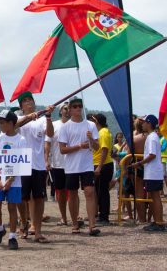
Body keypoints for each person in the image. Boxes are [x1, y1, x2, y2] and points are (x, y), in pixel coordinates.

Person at [16, 92, 55, 243]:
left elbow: (50, 134)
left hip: (38, 164)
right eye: (24, 101)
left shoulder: (42, 120)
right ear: (21, 106)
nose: (28, 103)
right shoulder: (19, 118)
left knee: (38, 198)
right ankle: (23, 223)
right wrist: (28, 117)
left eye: (30, 100)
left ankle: (37, 231)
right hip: (22, 163)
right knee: (22, 198)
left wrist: (49, 116)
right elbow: (14, 126)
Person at [58, 97, 100, 236]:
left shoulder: (91, 126)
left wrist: (91, 139)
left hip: (87, 165)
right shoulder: (65, 127)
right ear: (69, 110)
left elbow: (97, 147)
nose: (78, 108)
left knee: (89, 192)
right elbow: (62, 149)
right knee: (73, 194)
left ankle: (92, 225)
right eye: (75, 106)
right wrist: (78, 146)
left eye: (80, 106)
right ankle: (75, 224)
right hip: (72, 166)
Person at [0, 109, 27, 250]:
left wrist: (10, 179)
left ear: (11, 123)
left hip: (15, 181)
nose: (0, 125)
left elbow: (21, 162)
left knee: (12, 207)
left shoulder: (21, 140)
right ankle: (0, 229)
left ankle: (12, 237)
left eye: (2, 122)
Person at [131, 114, 165, 231]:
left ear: (149, 123)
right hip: (153, 171)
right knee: (154, 197)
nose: (142, 124)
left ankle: (159, 222)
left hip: (153, 172)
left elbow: (152, 155)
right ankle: (157, 221)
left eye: (144, 122)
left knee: (155, 197)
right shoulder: (153, 136)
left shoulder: (152, 137)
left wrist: (139, 163)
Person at [45, 103, 69, 226]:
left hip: (73, 165)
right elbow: (47, 144)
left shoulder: (75, 125)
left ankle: (75, 216)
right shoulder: (54, 125)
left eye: (69, 108)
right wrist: (46, 160)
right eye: (65, 108)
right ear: (60, 111)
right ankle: (63, 217)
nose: (68, 110)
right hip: (58, 164)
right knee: (61, 192)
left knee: (73, 192)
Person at [89, 112, 113, 225]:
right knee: (99, 191)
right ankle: (99, 214)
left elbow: (104, 150)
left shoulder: (103, 133)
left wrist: (99, 167)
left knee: (102, 191)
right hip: (101, 164)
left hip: (103, 165)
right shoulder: (101, 132)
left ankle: (104, 216)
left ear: (97, 122)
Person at [132, 116, 149, 224]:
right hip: (150, 166)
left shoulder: (135, 139)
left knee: (139, 194)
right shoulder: (152, 136)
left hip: (139, 166)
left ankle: (142, 218)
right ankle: (151, 218)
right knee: (152, 194)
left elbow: (128, 152)